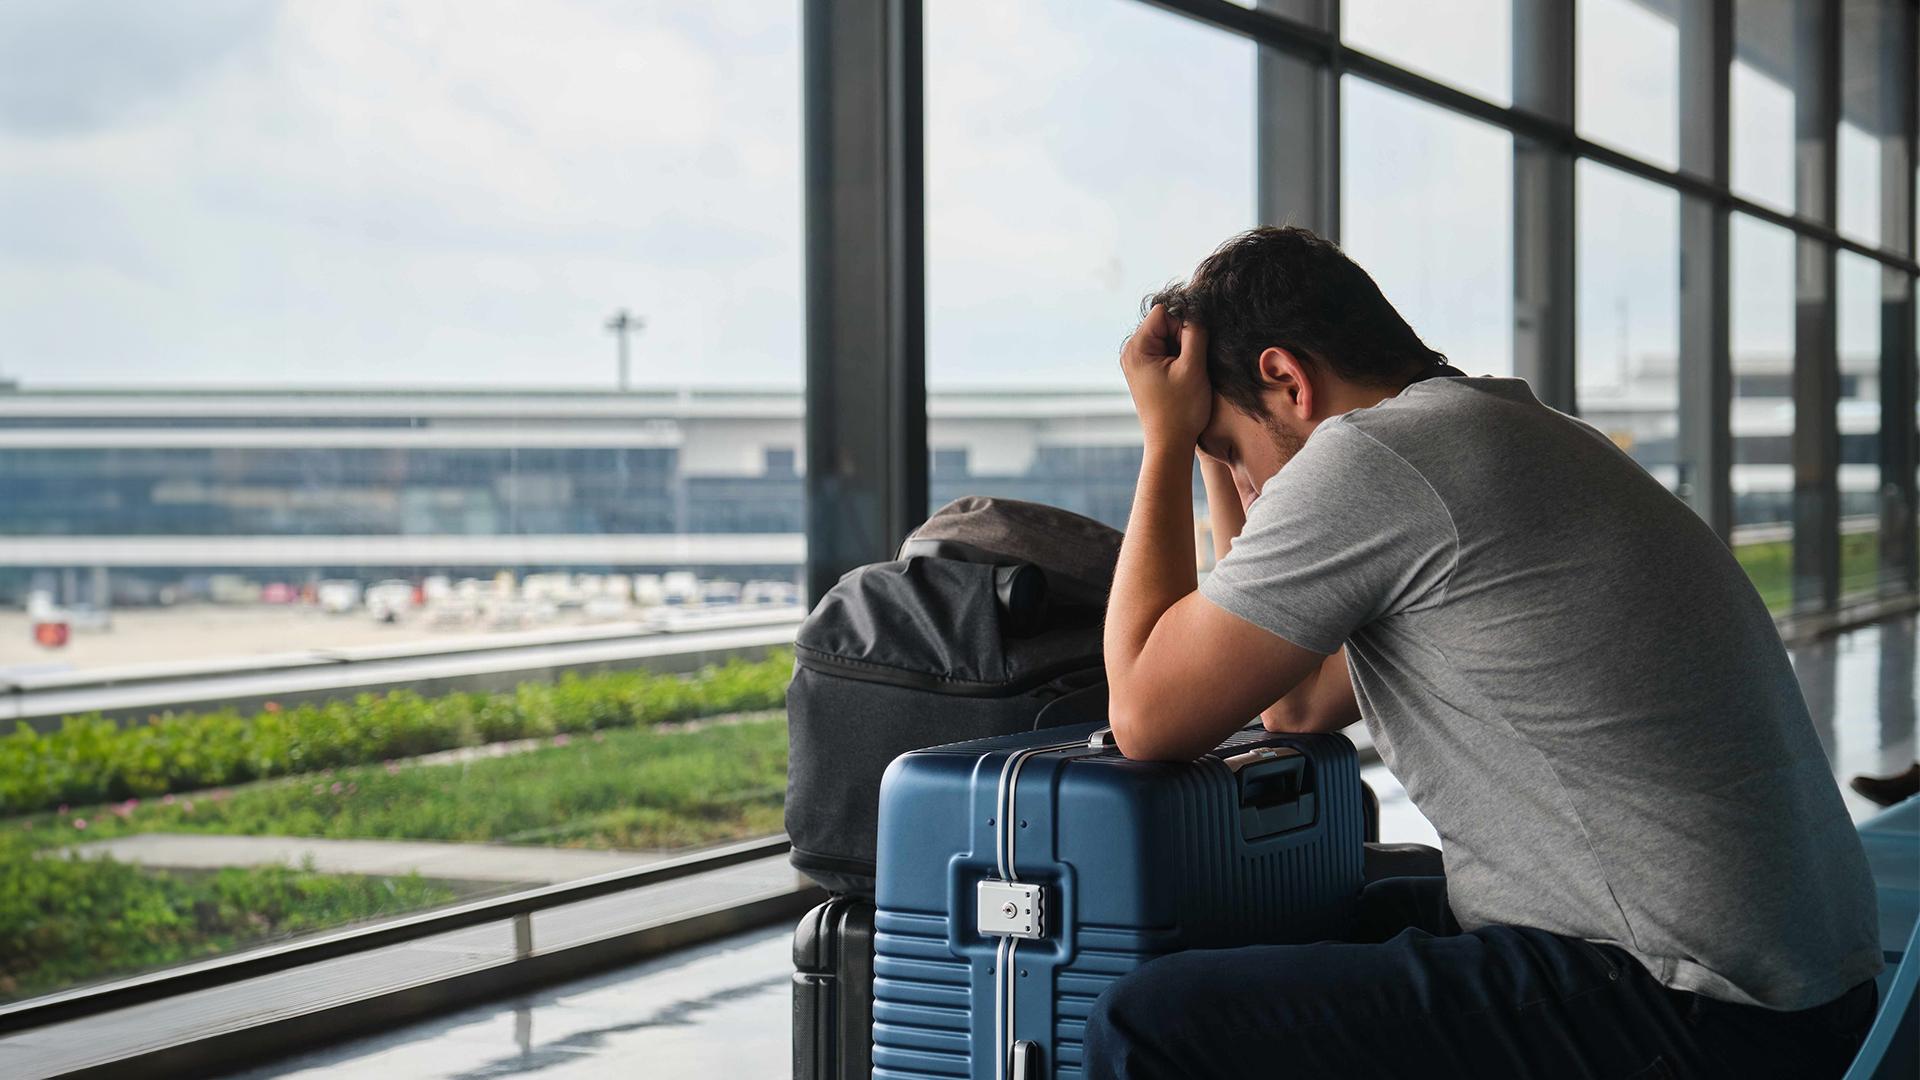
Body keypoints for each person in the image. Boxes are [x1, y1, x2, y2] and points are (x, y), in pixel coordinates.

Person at [1090, 226, 1883, 1078]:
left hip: (1694, 1009)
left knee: (1150, 1022)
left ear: (1288, 379)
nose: (1249, 491)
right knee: (1334, 904)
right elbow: (1295, 701)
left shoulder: (1374, 458)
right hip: (1806, 993)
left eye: (1236, 455)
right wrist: (1220, 441)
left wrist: (1168, 441)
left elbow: (1147, 715)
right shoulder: (1511, 432)